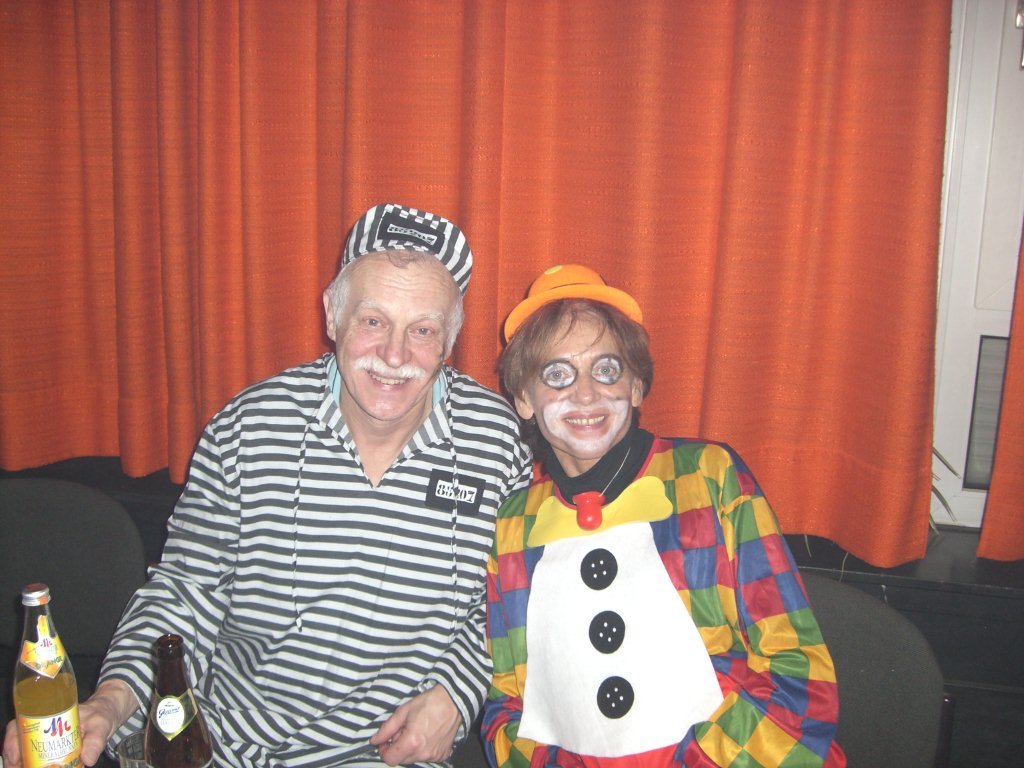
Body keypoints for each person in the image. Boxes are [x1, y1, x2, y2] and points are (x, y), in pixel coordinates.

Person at [3, 203, 533, 768]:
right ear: (333, 316)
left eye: (422, 330)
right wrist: (109, 704)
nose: (394, 355)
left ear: (450, 340)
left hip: (384, 751)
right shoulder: (248, 427)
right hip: (227, 743)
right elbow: (187, 591)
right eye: (373, 321)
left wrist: (456, 691)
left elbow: (511, 602)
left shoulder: (495, 445)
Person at [483, 264, 846, 768]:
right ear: (524, 398)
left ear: (635, 386)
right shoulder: (511, 527)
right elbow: (508, 702)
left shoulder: (709, 478)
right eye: (557, 375)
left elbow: (798, 671)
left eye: (606, 370)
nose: (585, 394)